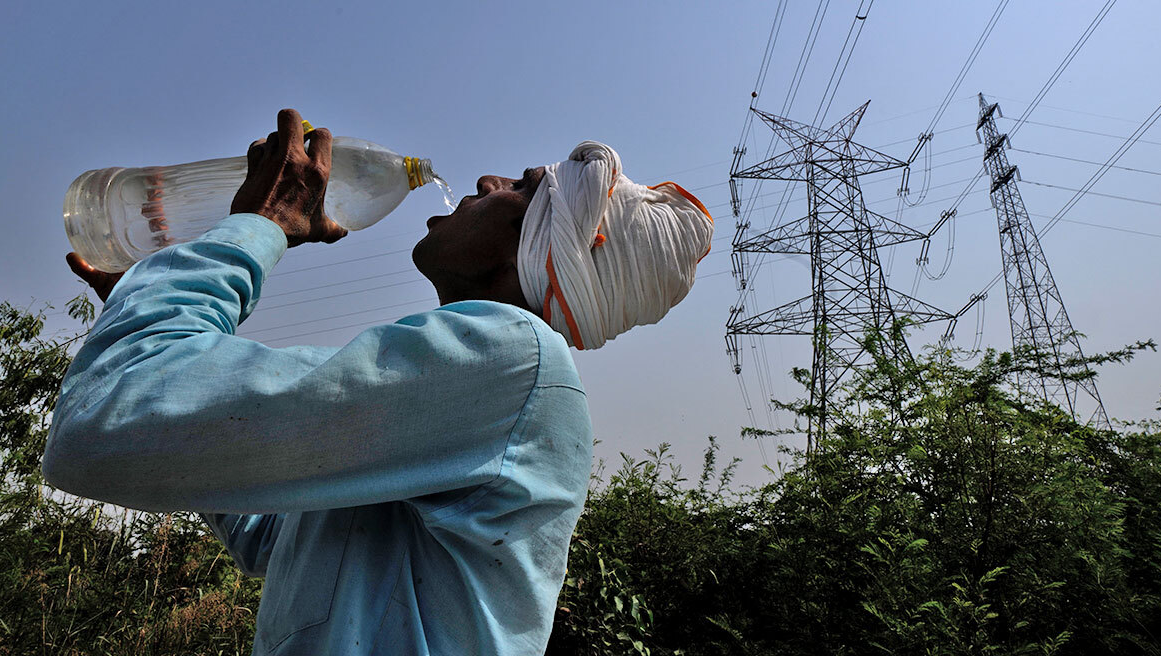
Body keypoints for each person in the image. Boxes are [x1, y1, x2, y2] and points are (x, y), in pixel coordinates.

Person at [45, 108, 713, 655]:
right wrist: (157, 317)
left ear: (536, 246)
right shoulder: (464, 395)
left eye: (516, 185)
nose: (483, 180)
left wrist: (258, 225)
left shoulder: (515, 359)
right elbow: (277, 535)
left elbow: (101, 420)